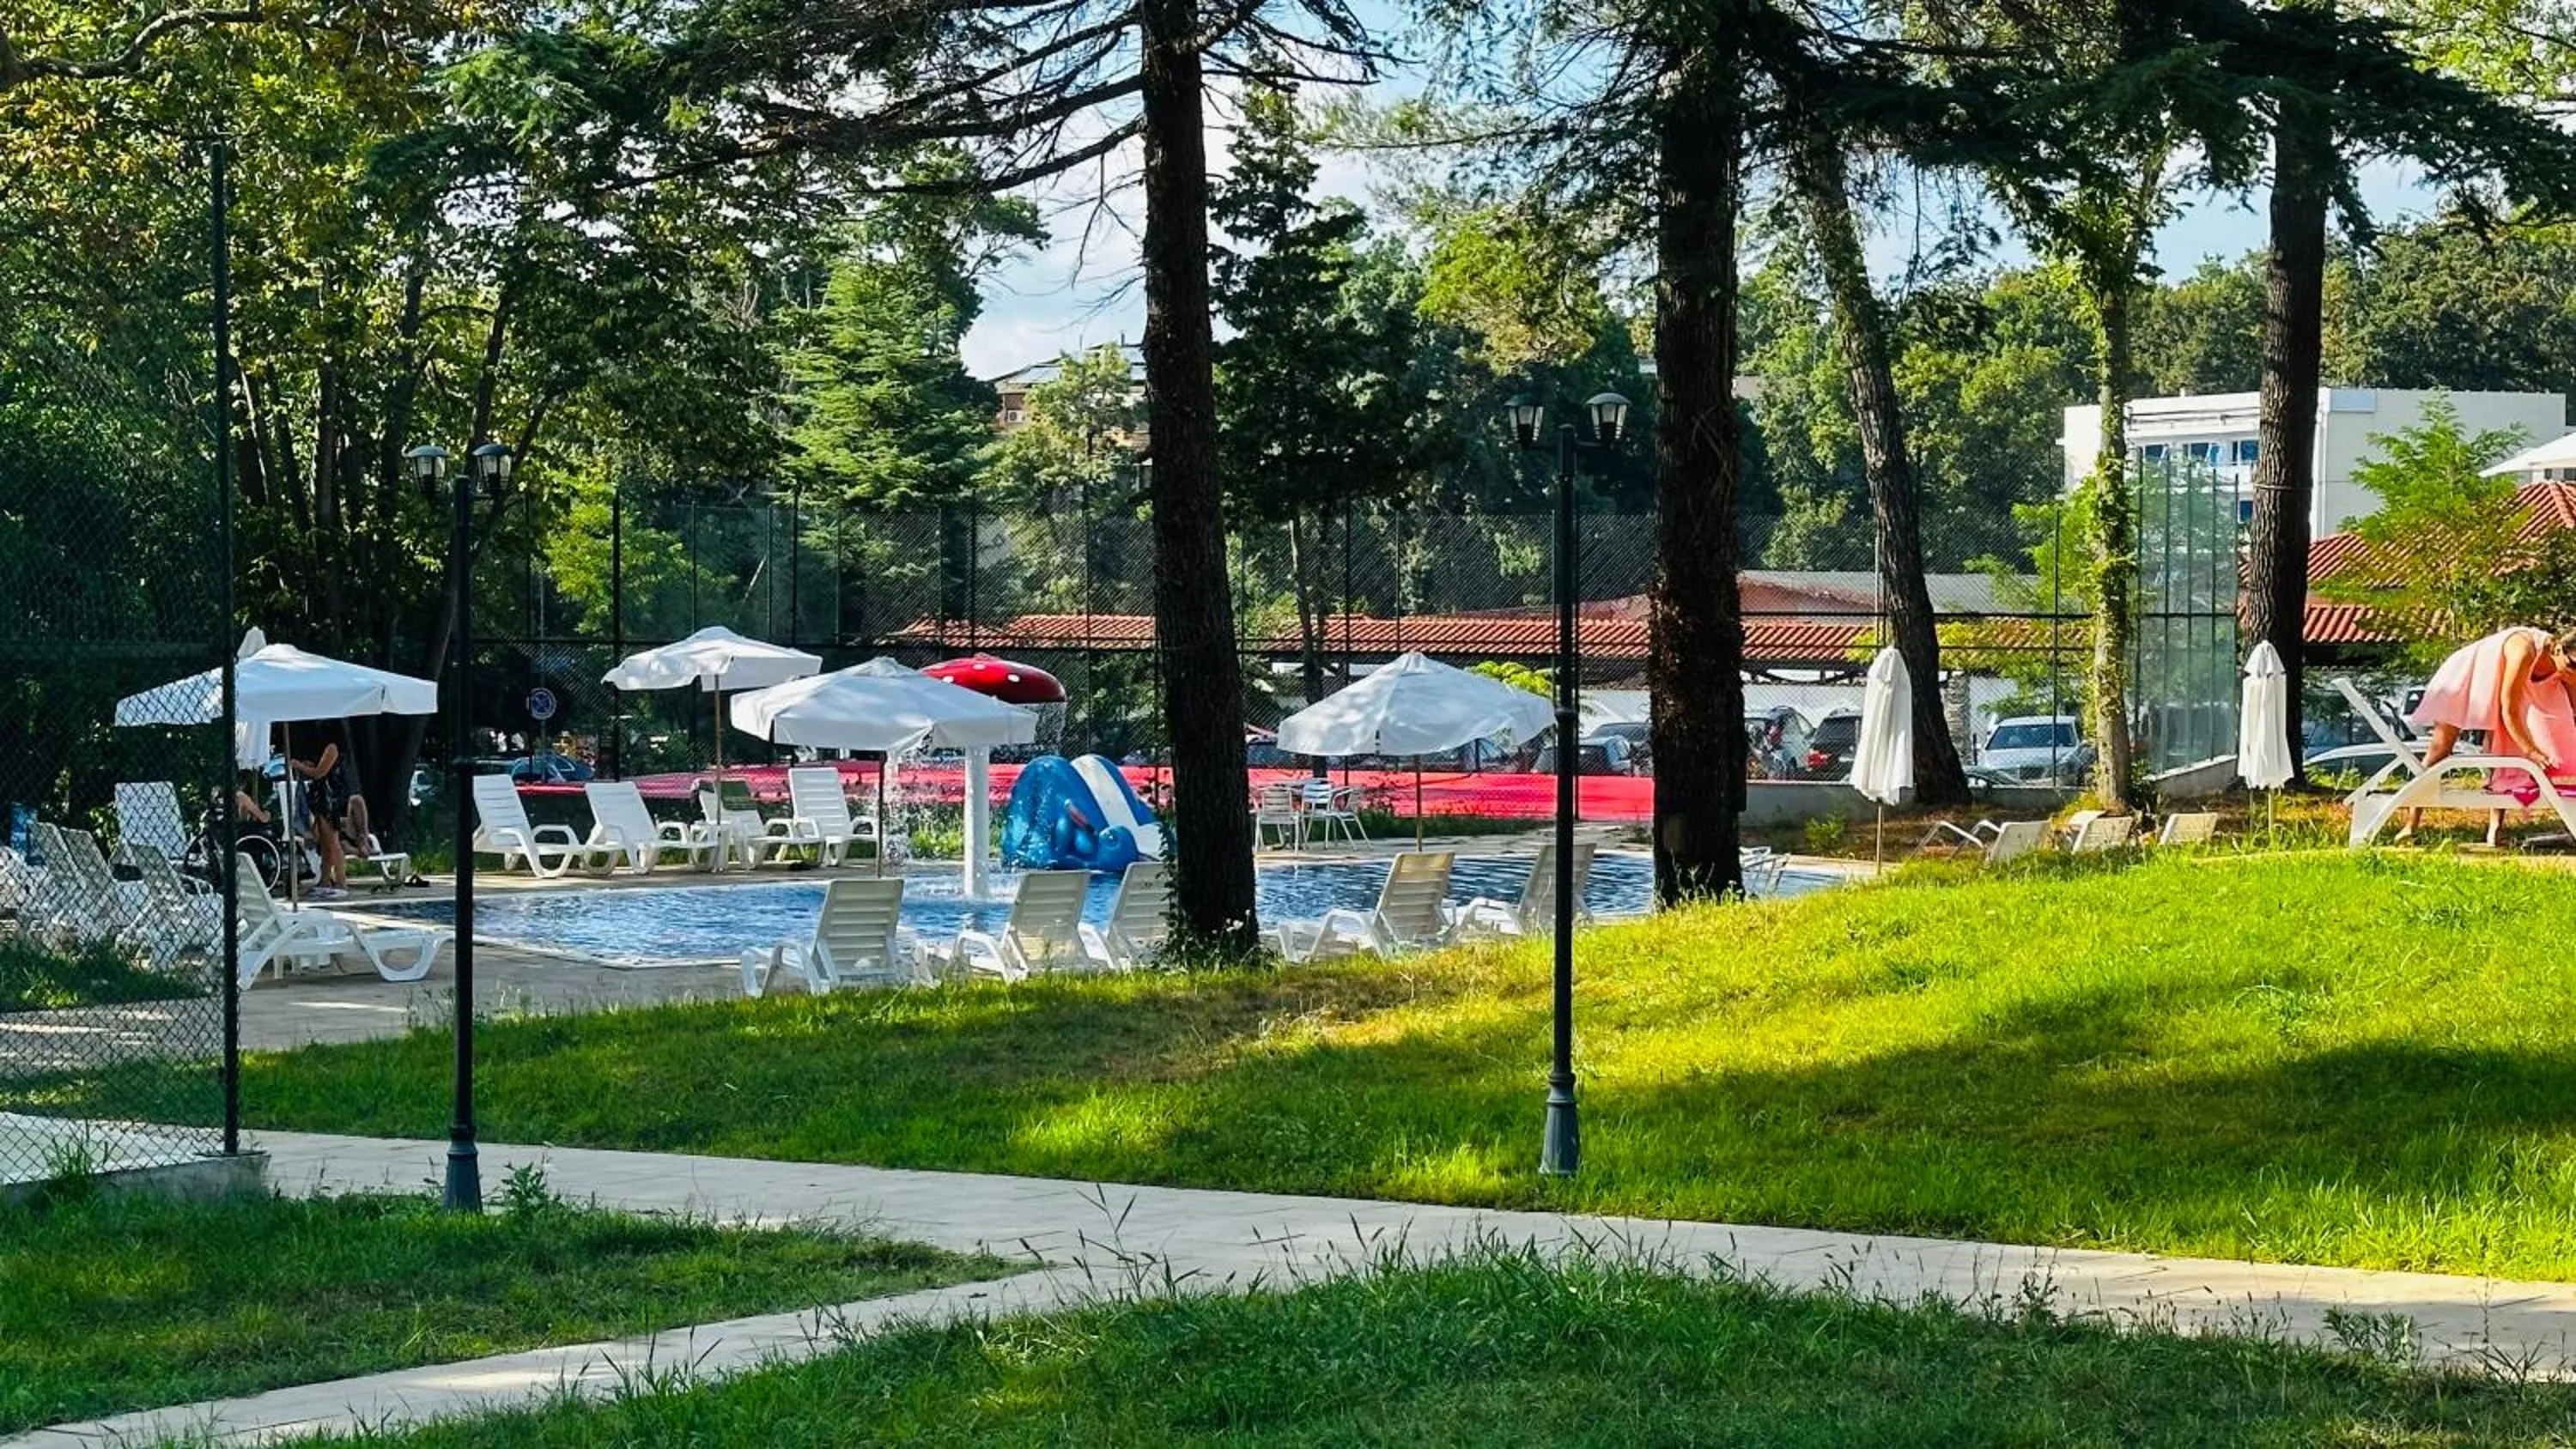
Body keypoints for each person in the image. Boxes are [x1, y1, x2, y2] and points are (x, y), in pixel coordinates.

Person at [2399, 625, 2576, 841]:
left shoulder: (2566, 669)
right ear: (2558, 649)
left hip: (2501, 684)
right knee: (2441, 748)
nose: (2573, 672)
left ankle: (2495, 829)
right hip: (2466, 677)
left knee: (2505, 748)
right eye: (2572, 665)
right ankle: (2411, 824)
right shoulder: (2523, 650)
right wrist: (2531, 751)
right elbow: (2508, 708)